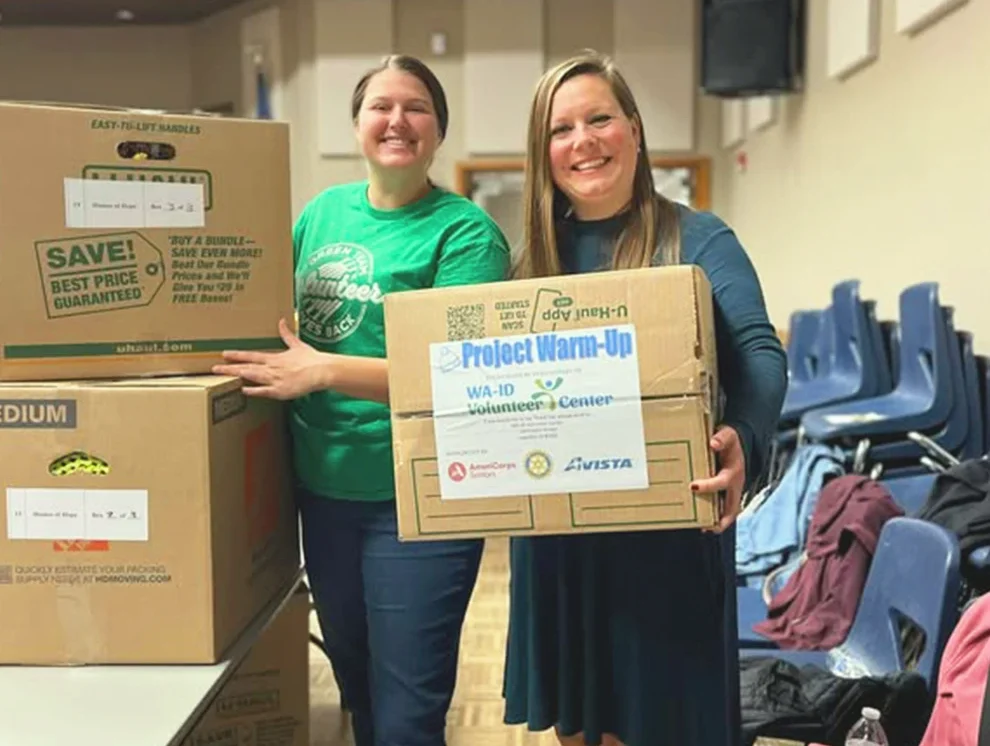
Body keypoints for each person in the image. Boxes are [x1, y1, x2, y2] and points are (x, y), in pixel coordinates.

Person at [213, 55, 511, 746]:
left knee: (408, 713)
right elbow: (275, 320)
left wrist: (322, 372)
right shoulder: (322, 213)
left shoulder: (465, 233)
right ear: (356, 126)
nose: (397, 120)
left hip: (420, 498)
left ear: (438, 131)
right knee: (359, 690)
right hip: (322, 492)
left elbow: (456, 371)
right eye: (381, 106)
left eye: (416, 107)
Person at [502, 52, 788, 746]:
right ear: (543, 152)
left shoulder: (699, 238)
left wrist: (743, 437)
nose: (584, 141)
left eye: (600, 119)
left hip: (663, 536)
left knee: (662, 723)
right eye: (561, 129)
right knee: (579, 727)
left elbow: (760, 352)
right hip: (559, 540)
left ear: (633, 129)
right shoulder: (529, 263)